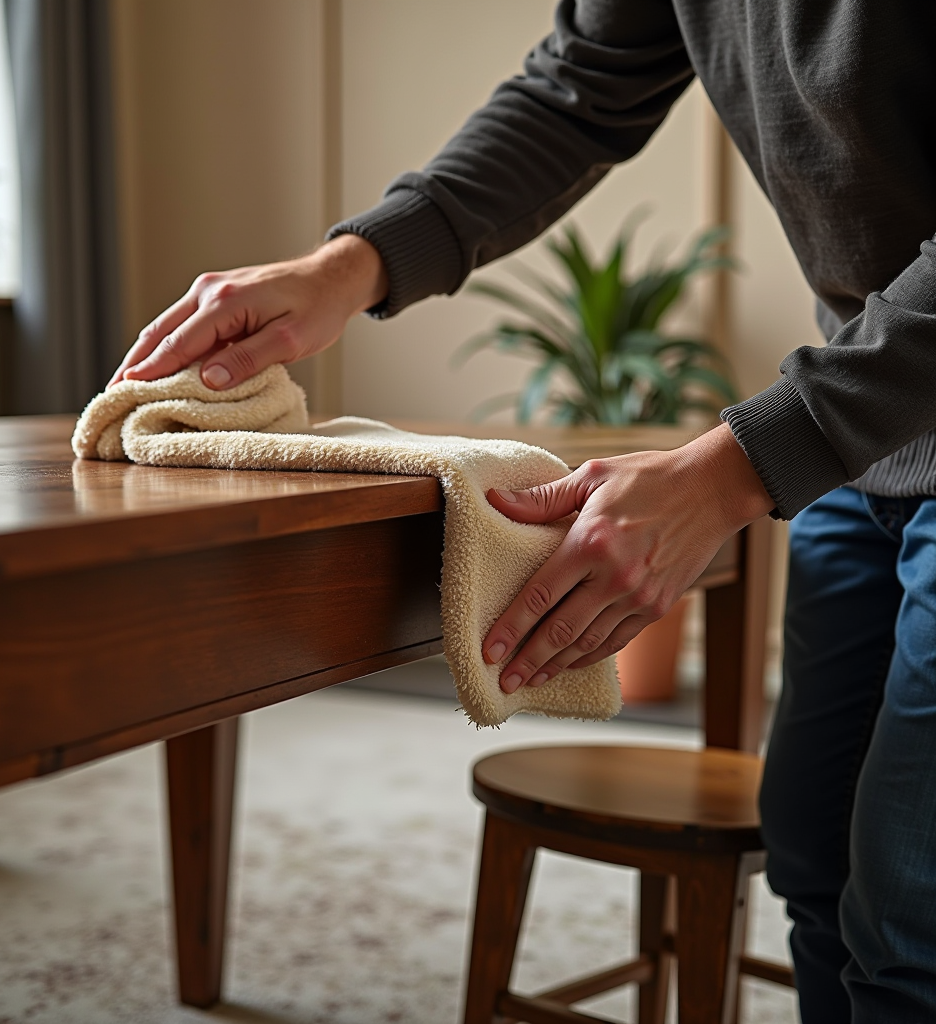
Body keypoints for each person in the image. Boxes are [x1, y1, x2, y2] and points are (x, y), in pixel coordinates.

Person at [109, 2, 936, 1018]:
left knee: (910, 920)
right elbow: (576, 91)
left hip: (870, 412)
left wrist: (728, 472)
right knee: (813, 861)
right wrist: (351, 265)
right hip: (865, 448)